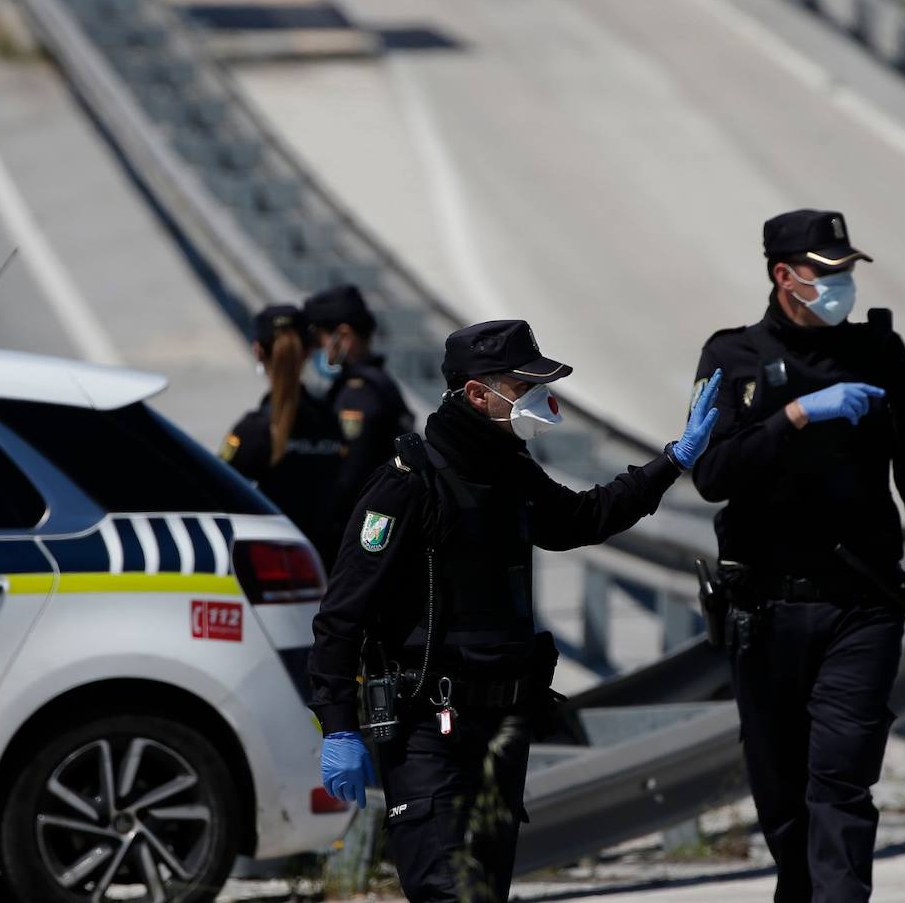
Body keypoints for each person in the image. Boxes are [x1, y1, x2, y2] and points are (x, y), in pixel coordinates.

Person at [309, 319, 721, 902]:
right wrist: (338, 726)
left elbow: (582, 519)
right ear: (479, 394)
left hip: (501, 731)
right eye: (522, 384)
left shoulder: (509, 469)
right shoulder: (407, 484)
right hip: (429, 730)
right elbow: (341, 614)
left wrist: (671, 461)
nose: (539, 398)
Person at [690, 210, 905, 902]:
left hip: (861, 605)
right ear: (783, 275)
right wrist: (795, 417)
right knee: (783, 797)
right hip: (762, 609)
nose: (841, 283)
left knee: (841, 783)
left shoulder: (880, 353)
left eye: (847, 269)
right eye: (826, 272)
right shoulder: (731, 358)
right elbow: (711, 476)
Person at [220, 304, 345, 567]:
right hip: (328, 567)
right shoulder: (332, 423)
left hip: (270, 568)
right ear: (309, 351)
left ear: (258, 351)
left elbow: (217, 493)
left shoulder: (252, 431)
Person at [303, 285, 413, 511]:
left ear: (343, 335)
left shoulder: (358, 395)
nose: (316, 349)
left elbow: (348, 476)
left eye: (319, 340)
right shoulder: (378, 382)